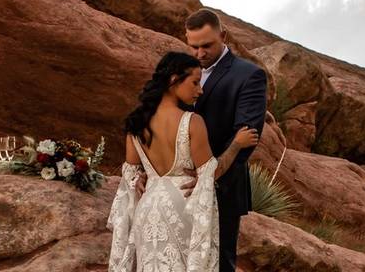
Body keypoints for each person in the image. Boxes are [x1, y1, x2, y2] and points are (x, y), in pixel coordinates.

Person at [131, 9, 268, 272]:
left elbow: (247, 135)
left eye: (207, 45)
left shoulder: (248, 75)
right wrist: (147, 170)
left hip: (220, 188)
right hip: (170, 188)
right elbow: (158, 120)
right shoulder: (180, 70)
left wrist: (209, 177)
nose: (200, 53)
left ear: (223, 36)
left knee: (217, 263)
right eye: (193, 46)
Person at [107, 51, 259, 271]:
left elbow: (130, 174)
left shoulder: (136, 124)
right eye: (195, 82)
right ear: (173, 80)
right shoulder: (192, 122)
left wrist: (143, 177)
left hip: (148, 209)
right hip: (182, 207)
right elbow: (210, 174)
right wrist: (237, 144)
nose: (201, 89)